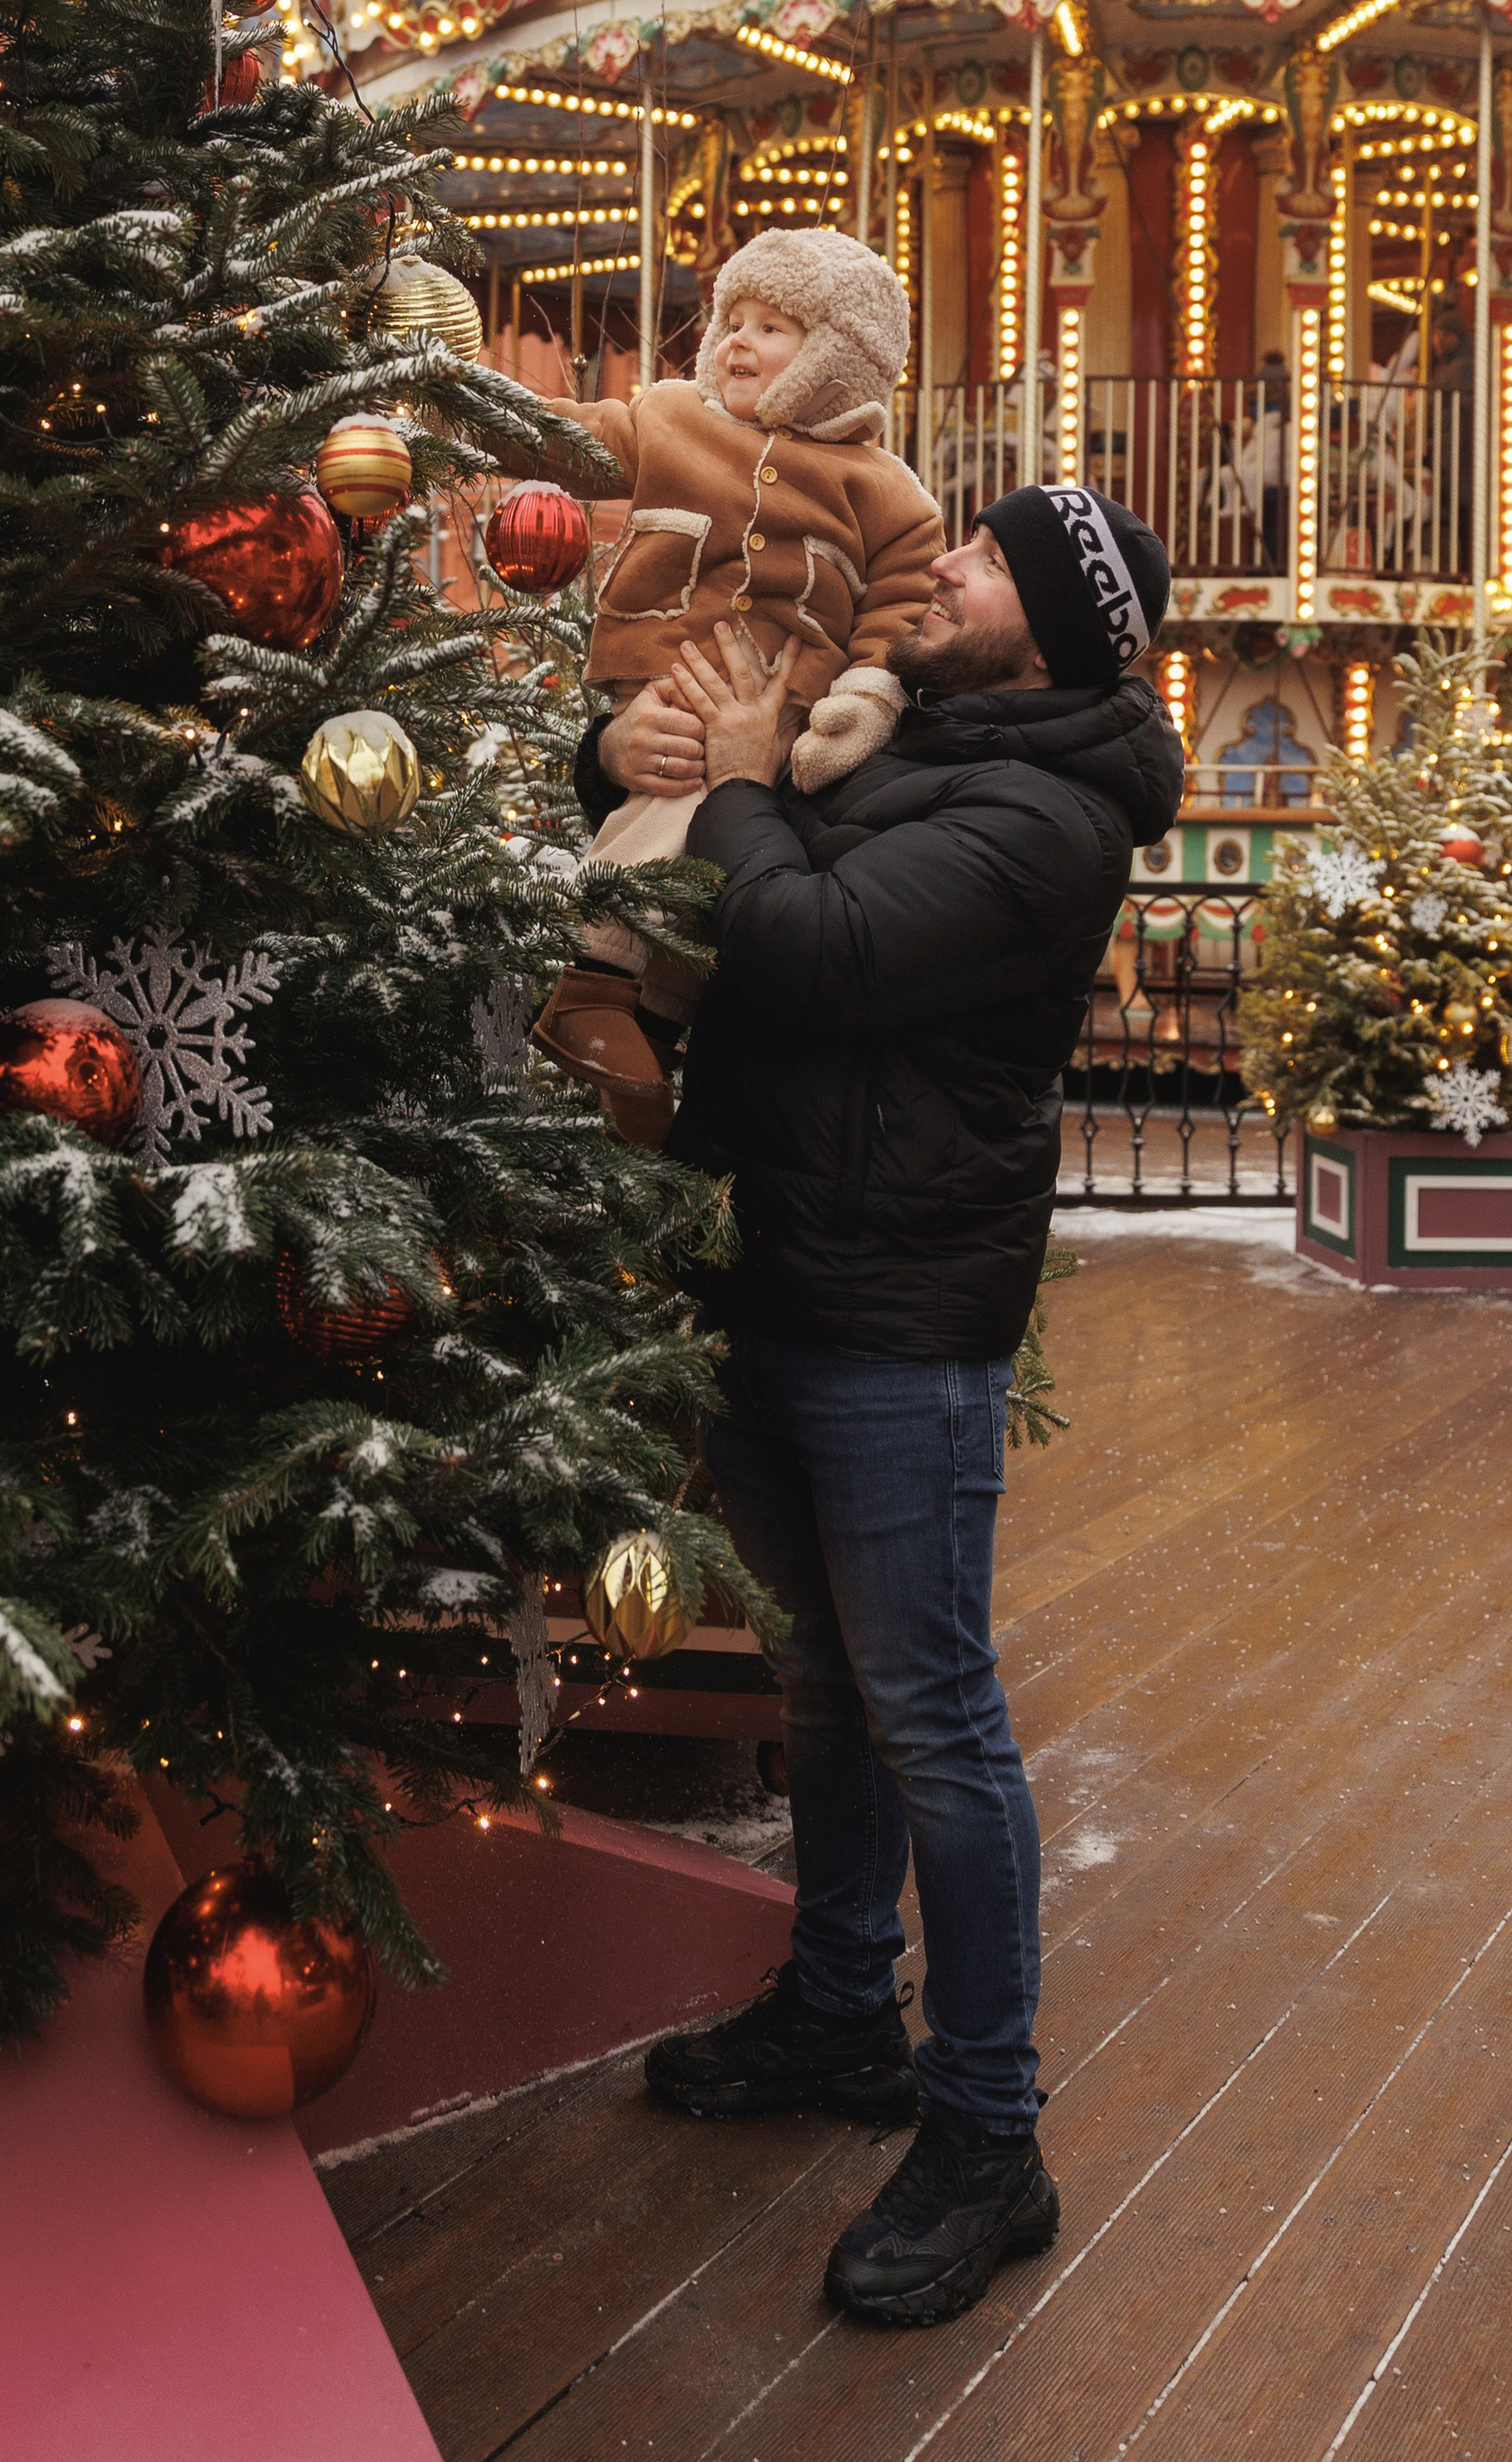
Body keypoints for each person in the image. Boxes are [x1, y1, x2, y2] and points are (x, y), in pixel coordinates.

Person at [580, 481, 1183, 2329]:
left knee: (929, 1710)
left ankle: (988, 2134)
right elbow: (668, 830)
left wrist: (751, 779)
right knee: (820, 1682)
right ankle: (842, 2006)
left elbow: (816, 950)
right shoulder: (907, 733)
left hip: (893, 1309)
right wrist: (636, 743)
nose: (944, 564)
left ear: (1055, 628)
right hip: (772, 1261)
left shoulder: (1047, 809)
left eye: (988, 559)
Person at [527, 228, 942, 1141]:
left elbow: (900, 605)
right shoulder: (672, 418)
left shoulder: (888, 492)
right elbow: (573, 439)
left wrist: (864, 695)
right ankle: (589, 983)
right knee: (672, 804)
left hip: (787, 705)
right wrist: (476, 416)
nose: (736, 344)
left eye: (772, 328)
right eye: (733, 322)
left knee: (707, 871)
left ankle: (650, 1031)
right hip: (677, 666)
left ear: (838, 357)